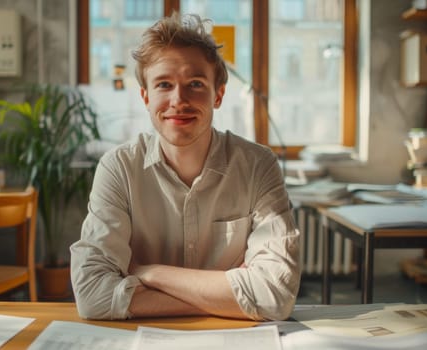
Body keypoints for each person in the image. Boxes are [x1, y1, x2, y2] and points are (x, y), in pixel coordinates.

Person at [70, 12, 300, 321]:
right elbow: (92, 296)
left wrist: (148, 273)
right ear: (145, 96)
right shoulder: (119, 168)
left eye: (195, 83)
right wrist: (231, 297)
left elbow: (275, 295)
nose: (179, 99)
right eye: (164, 84)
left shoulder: (258, 165)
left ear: (217, 95)